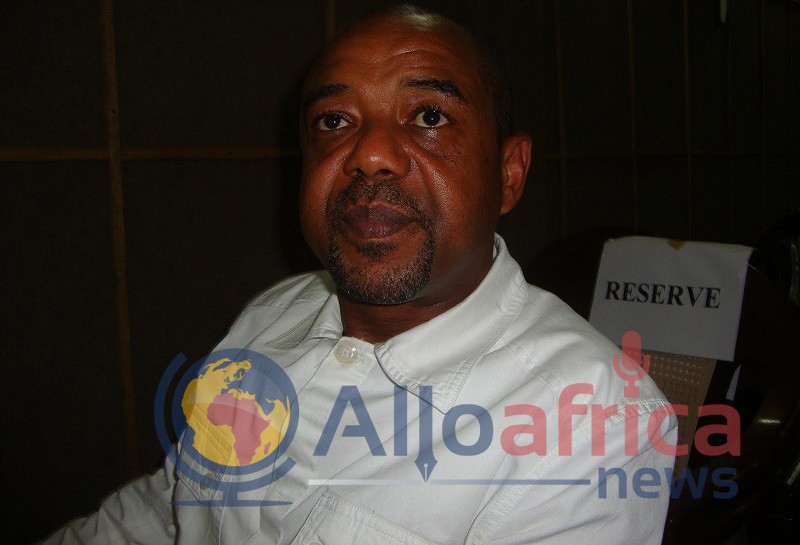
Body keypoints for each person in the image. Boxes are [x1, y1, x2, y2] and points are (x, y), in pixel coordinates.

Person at [43, 4, 675, 544]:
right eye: (334, 122)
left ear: (509, 174)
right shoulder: (277, 312)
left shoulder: (591, 421)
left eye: (429, 117)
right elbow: (169, 508)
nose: (368, 153)